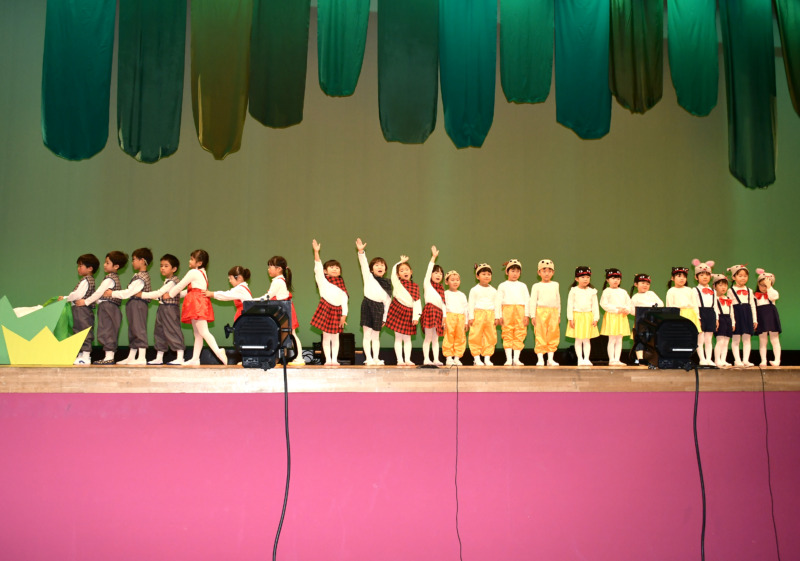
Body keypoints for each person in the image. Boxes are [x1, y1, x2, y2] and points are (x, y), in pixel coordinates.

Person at [167, 249, 227, 366]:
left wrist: (170, 294)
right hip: (199, 301)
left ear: (199, 263)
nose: (189, 261)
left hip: (197, 303)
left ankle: (218, 351)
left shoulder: (193, 272)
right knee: (198, 333)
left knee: (203, 331)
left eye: (192, 259)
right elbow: (189, 290)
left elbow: (180, 285)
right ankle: (195, 358)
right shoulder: (203, 273)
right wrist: (174, 294)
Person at [77, 251, 128, 365]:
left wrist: (86, 301)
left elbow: (98, 293)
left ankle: (109, 357)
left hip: (107, 306)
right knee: (107, 329)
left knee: (107, 330)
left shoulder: (109, 279)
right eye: (105, 262)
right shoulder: (112, 278)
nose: (104, 265)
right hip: (108, 307)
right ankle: (108, 356)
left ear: (116, 266)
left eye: (107, 263)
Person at [107, 247, 153, 365]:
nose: (132, 262)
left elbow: (128, 292)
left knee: (138, 329)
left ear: (142, 260)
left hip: (138, 304)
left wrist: (112, 293)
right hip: (133, 304)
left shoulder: (141, 277)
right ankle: (131, 357)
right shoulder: (138, 275)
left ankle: (141, 357)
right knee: (133, 330)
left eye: (134, 259)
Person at [140, 254, 186, 365]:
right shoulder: (167, 281)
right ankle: (159, 357)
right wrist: (156, 296)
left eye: (166, 266)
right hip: (162, 307)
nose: (162, 268)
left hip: (170, 309)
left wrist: (142, 295)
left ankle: (180, 357)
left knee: (173, 330)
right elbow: (160, 295)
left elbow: (159, 293)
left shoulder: (173, 281)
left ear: (174, 269)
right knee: (159, 332)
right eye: (161, 266)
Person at [310, 239, 348, 366]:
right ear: (325, 271)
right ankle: (327, 360)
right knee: (326, 336)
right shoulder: (323, 281)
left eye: (337, 267)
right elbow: (318, 268)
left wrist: (344, 315)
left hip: (337, 311)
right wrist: (316, 252)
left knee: (335, 337)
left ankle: (334, 359)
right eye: (332, 267)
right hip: (326, 308)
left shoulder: (341, 283)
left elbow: (344, 300)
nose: (335, 269)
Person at [262, 255, 305, 366]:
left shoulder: (278, 282)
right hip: (283, 309)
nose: (268, 269)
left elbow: (268, 296)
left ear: (279, 269)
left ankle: (299, 358)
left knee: (291, 334)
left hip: (285, 310)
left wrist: (254, 301)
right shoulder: (279, 280)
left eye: (270, 266)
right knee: (283, 335)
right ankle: (281, 359)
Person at [355, 239, 392, 366]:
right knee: (367, 334)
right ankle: (368, 358)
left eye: (382, 265)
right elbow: (363, 264)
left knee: (376, 335)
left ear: (385, 269)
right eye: (376, 265)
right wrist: (361, 252)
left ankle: (376, 358)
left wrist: (385, 318)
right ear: (371, 269)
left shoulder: (387, 283)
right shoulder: (369, 277)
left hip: (379, 308)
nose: (380, 267)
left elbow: (387, 302)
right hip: (367, 304)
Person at [60, 253, 99, 365]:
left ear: (90, 268)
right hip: (78, 310)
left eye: (81, 266)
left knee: (84, 330)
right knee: (78, 330)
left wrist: (66, 298)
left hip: (83, 311)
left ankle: (86, 355)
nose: (78, 268)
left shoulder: (87, 280)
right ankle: (81, 354)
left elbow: (77, 295)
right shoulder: (85, 280)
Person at [385, 255, 421, 366]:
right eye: (401, 270)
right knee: (398, 337)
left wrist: (416, 316)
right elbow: (392, 273)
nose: (404, 272)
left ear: (411, 271)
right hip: (398, 310)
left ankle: (407, 359)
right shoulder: (397, 283)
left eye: (406, 269)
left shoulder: (415, 286)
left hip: (409, 313)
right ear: (398, 274)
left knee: (407, 338)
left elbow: (417, 302)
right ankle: (399, 360)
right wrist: (399, 262)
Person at [495, 259, 528, 366]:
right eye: (512, 271)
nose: (515, 274)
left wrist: (527, 315)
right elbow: (498, 302)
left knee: (520, 332)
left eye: (517, 271)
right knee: (507, 333)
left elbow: (527, 300)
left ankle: (516, 359)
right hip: (507, 311)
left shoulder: (523, 286)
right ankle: (509, 359)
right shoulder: (502, 285)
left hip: (520, 310)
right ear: (507, 272)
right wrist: (498, 315)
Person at [565, 266, 600, 366]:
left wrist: (596, 318)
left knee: (586, 339)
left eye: (588, 277)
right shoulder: (573, 291)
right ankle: (580, 359)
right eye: (583, 277)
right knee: (578, 339)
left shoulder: (592, 291)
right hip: (577, 316)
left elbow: (595, 306)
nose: (585, 279)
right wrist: (570, 318)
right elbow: (570, 305)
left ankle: (586, 359)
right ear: (577, 279)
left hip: (588, 317)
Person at [529, 259, 561, 366]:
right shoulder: (536, 286)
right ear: (539, 272)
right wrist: (533, 315)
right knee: (540, 334)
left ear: (553, 272)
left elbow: (558, 300)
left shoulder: (555, 284)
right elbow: (533, 301)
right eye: (544, 271)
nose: (547, 273)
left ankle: (550, 359)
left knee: (553, 334)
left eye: (549, 271)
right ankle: (540, 359)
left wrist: (558, 314)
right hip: (540, 311)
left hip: (553, 312)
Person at [599, 268, 631, 366]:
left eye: (618, 278)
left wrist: (626, 309)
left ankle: (617, 359)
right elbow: (604, 304)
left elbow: (629, 303)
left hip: (621, 317)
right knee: (612, 339)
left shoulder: (623, 291)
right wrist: (616, 310)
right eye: (613, 278)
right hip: (612, 317)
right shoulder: (606, 291)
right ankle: (611, 359)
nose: (616, 280)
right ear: (607, 280)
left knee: (619, 339)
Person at [726, 264, 757, 367]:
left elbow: (752, 305)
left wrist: (755, 320)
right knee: (736, 339)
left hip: (747, 315)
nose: (743, 278)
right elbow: (730, 307)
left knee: (747, 339)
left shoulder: (749, 290)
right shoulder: (730, 291)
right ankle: (737, 360)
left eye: (745, 276)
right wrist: (732, 321)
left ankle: (746, 360)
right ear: (734, 277)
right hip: (736, 315)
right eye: (740, 276)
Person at [629, 273, 662, 365]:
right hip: (640, 322)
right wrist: (641, 311)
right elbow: (631, 310)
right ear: (636, 284)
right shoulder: (635, 297)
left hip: (652, 321)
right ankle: (640, 360)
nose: (645, 285)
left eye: (647, 284)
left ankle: (653, 360)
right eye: (642, 283)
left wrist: (652, 308)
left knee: (653, 340)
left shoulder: (652, 294)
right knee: (639, 340)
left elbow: (661, 304)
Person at [468, 263, 497, 366]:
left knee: (490, 336)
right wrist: (471, 317)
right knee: (475, 335)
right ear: (477, 276)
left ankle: (487, 358)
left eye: (489, 274)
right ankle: (476, 358)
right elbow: (471, 304)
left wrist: (497, 316)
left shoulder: (494, 290)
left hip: (490, 314)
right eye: (483, 274)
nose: (486, 276)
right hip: (478, 314)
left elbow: (496, 304)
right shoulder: (474, 290)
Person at [691, 259, 719, 367]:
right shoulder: (694, 290)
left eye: (707, 274)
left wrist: (716, 318)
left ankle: (709, 359)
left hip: (711, 314)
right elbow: (694, 305)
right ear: (696, 277)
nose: (705, 277)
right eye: (701, 275)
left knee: (709, 339)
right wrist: (697, 317)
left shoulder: (713, 291)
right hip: (700, 314)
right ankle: (702, 359)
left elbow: (715, 305)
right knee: (700, 339)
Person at [421, 246, 446, 366]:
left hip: (439, 313)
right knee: (428, 337)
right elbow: (428, 270)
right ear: (431, 274)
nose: (438, 275)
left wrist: (444, 316)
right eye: (436, 272)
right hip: (430, 311)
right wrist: (433, 258)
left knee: (436, 338)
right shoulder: (427, 284)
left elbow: (444, 304)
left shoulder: (441, 288)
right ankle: (426, 359)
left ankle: (436, 359)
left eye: (441, 273)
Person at [754, 269, 781, 367]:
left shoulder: (772, 292)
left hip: (771, 317)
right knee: (763, 340)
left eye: (766, 285)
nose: (764, 288)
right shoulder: (754, 296)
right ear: (758, 284)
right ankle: (763, 360)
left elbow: (774, 296)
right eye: (762, 285)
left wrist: (769, 287)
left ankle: (777, 360)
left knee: (774, 339)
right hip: (761, 318)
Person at [442, 270, 468, 366]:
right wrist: (443, 320)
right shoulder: (445, 294)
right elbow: (443, 307)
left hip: (461, 318)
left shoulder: (462, 295)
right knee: (448, 336)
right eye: (452, 280)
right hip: (449, 317)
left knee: (460, 337)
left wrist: (466, 322)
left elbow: (466, 308)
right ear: (446, 282)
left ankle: (457, 357)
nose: (455, 282)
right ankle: (448, 357)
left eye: (457, 280)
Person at [665, 266, 700, 332]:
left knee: (691, 334)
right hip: (678, 315)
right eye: (679, 276)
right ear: (672, 278)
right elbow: (669, 307)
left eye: (684, 277)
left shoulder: (689, 290)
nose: (682, 279)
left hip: (691, 315)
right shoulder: (671, 291)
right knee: (679, 333)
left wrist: (697, 317)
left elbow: (695, 305)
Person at [712, 273, 735, 368]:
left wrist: (733, 323)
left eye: (725, 285)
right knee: (720, 341)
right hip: (720, 319)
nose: (723, 287)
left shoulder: (728, 298)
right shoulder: (714, 299)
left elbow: (732, 312)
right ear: (714, 286)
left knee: (726, 342)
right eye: (720, 285)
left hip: (728, 319)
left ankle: (723, 359)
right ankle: (717, 360)